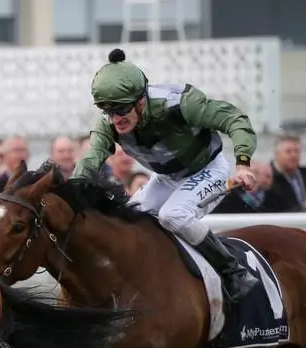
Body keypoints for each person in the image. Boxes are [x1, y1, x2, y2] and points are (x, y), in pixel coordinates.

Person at [73, 48, 259, 304]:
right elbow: (91, 158)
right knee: (128, 225)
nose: (116, 119)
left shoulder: (180, 103)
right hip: (166, 178)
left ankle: (233, 271)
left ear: (140, 101)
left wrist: (243, 163)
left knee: (173, 215)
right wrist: (72, 189)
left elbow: (234, 119)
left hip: (209, 170)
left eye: (121, 109)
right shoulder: (109, 124)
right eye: (108, 111)